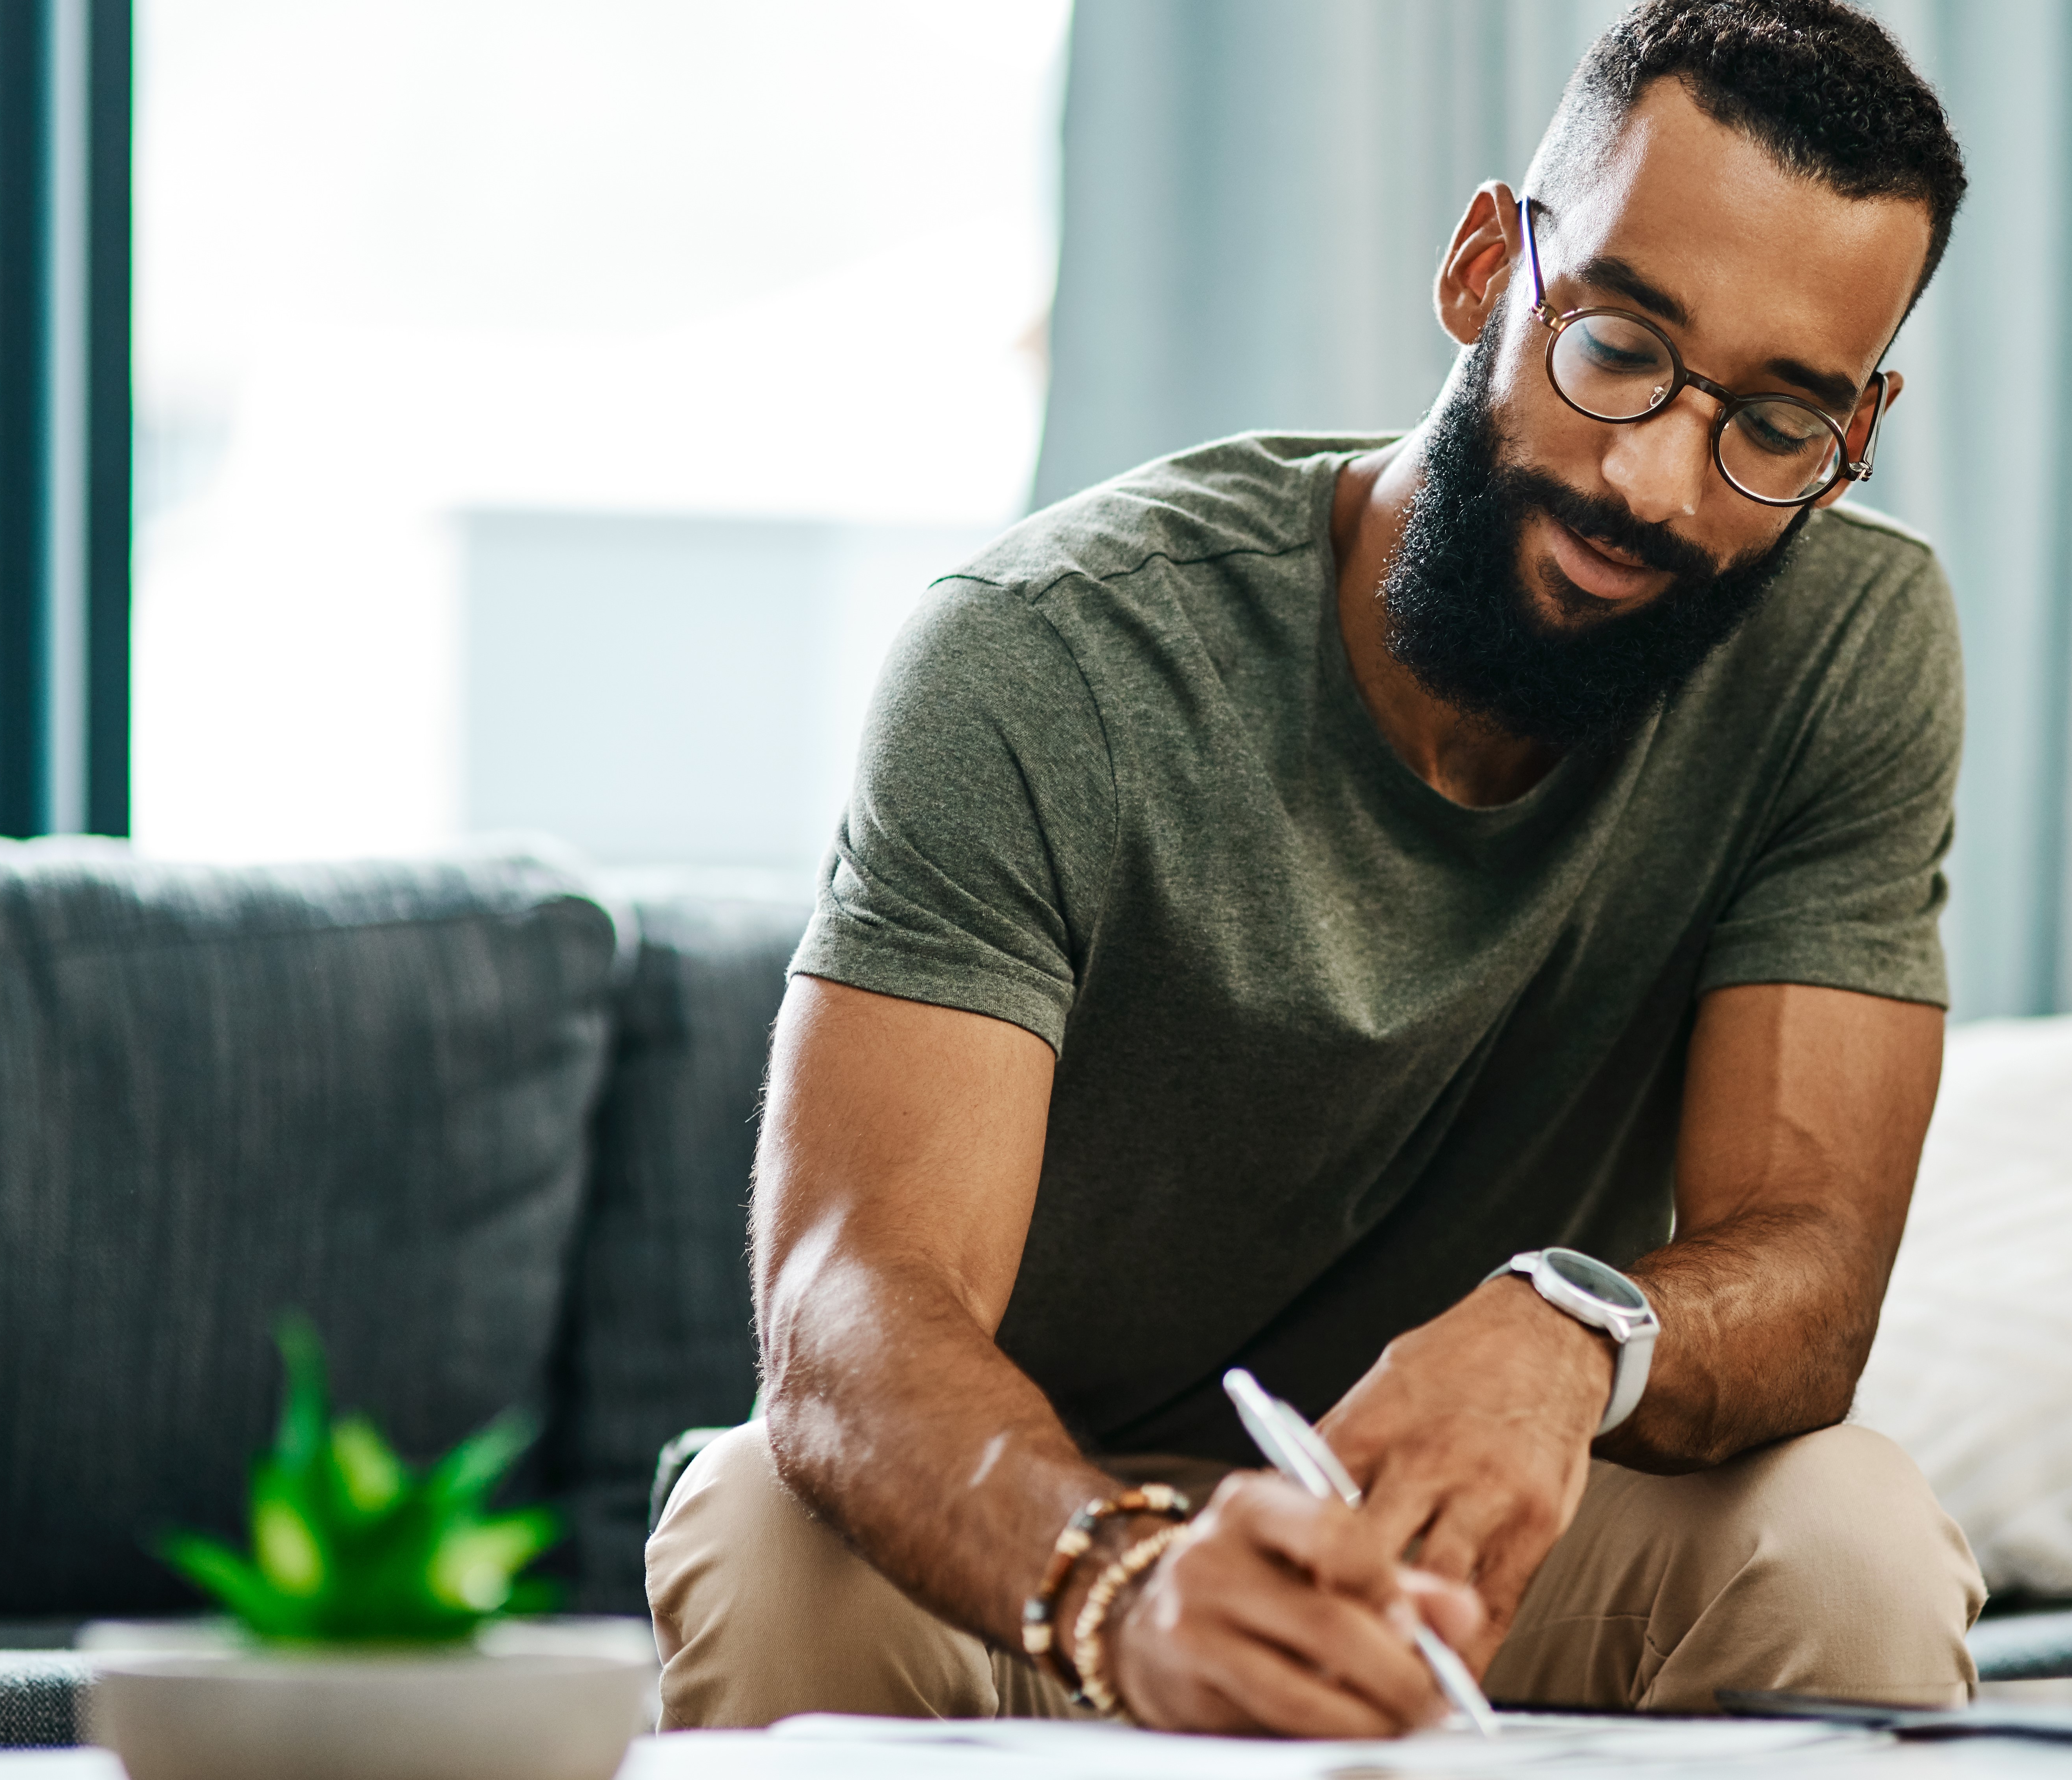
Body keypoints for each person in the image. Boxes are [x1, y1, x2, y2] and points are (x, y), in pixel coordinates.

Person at [648, 0, 1983, 1738]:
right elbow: (849, 1303)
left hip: (1465, 1534)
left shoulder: (1848, 647)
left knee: (1849, 1533)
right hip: (1048, 1516)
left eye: (1775, 427)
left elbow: (1808, 1266)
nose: (1653, 481)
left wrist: (1569, 1326)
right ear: (1485, 267)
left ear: (1855, 428)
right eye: (1617, 349)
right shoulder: (1046, 655)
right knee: (769, 1525)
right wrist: (1120, 1586)